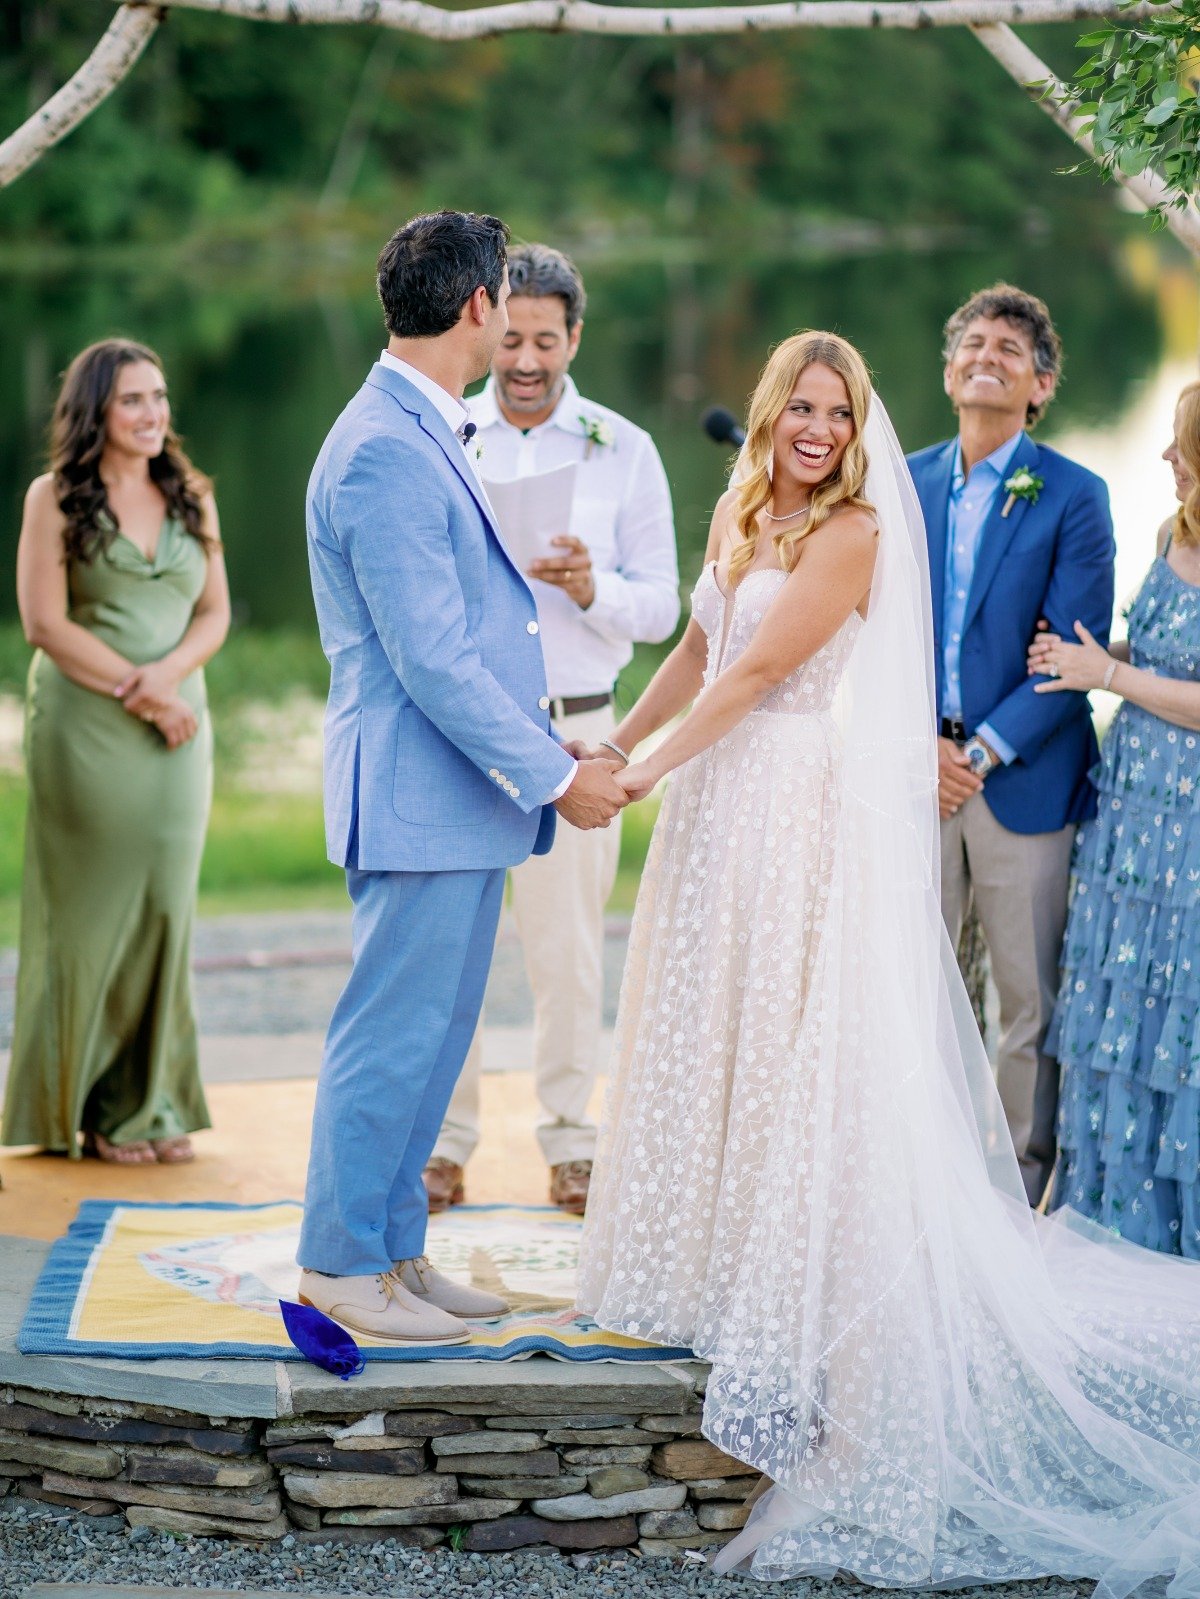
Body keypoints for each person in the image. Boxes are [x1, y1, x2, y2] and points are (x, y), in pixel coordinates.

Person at [576, 330, 1200, 1595]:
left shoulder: (856, 528)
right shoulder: (742, 507)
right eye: (799, 406)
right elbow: (698, 653)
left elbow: (758, 671)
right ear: (769, 412)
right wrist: (609, 738)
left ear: (857, 424)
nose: (816, 429)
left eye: (837, 409)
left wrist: (641, 776)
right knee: (715, 1031)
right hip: (713, 809)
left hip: (787, 805)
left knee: (803, 1046)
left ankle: (807, 1294)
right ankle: (714, 1263)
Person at [296, 212, 628, 1347]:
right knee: (390, 1036)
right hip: (417, 798)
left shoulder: (420, 422)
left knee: (435, 1040)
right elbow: (429, 656)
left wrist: (549, 748)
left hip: (458, 800)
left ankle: (395, 1253)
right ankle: (340, 1267)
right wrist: (552, 776)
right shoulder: (387, 444)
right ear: (481, 306)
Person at [424, 243, 679, 1218]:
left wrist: (591, 587)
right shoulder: (446, 434)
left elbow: (665, 608)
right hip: (464, 735)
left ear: (575, 335)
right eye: (511, 337)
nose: (525, 359)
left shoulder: (624, 448)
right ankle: (441, 1146)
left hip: (578, 735)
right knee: (452, 948)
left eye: (546, 339)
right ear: (484, 327)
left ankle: (572, 1144)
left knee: (569, 951)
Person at [907, 285, 1115, 1205]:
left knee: (1025, 1003)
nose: (987, 354)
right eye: (973, 343)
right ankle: (931, 1181)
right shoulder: (900, 482)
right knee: (924, 987)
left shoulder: (1075, 495)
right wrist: (919, 747)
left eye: (1010, 347)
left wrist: (978, 754)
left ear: (1041, 384)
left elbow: (1068, 657)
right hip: (911, 774)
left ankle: (1017, 1190)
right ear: (949, 371)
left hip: (1019, 781)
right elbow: (867, 633)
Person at [4, 339, 230, 1165]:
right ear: (95, 408)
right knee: (92, 911)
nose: (153, 414)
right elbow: (45, 624)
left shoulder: (192, 496)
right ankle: (90, 1106)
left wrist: (169, 682)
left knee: (167, 908)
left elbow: (214, 613)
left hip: (178, 728)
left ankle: (153, 1101)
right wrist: (141, 690)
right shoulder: (53, 498)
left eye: (160, 398)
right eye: (133, 399)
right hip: (86, 726)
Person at [1030, 382, 1200, 1258]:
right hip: (1131, 813)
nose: (1166, 458)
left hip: (1192, 826)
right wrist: (1088, 657)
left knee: (1179, 1005)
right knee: (1113, 1002)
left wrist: (1111, 677)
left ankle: (1172, 1237)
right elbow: (1165, 653)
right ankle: (1102, 1218)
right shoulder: (1174, 533)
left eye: (1180, 444)